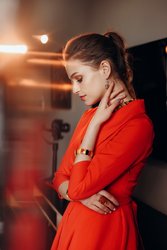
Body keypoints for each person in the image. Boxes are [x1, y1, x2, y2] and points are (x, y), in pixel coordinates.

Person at [51, 31, 154, 250]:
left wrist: (78, 193)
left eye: (79, 79)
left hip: (106, 230)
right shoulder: (90, 116)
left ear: (105, 69)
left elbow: (76, 188)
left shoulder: (138, 125)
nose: (75, 89)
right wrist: (81, 196)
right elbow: (59, 177)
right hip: (74, 224)